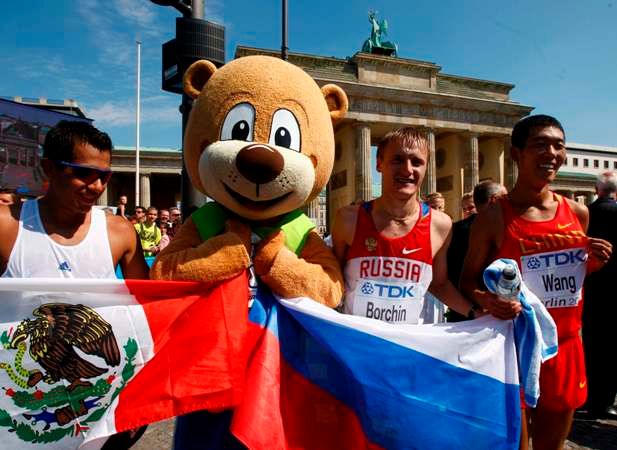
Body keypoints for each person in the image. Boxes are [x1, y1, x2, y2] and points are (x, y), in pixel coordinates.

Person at [459, 115, 612, 450]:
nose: (552, 152)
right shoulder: (493, 216)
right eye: (540, 144)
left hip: (566, 346)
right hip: (515, 347)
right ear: (516, 154)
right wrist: (486, 300)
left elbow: (571, 277)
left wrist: (593, 266)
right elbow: (467, 278)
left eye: (558, 145)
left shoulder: (578, 212)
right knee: (515, 446)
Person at [0, 120, 149, 448]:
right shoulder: (7, 227)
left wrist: (141, 399)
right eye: (83, 173)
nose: (96, 186)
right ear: (49, 168)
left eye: (104, 176)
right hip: (18, 420)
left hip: (104, 416)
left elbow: (149, 312)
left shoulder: (119, 232)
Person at [332, 127, 478, 325]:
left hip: (406, 346)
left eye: (417, 162)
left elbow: (439, 284)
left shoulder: (440, 225)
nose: (407, 170)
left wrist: (476, 314)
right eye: (397, 160)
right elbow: (332, 280)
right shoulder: (349, 220)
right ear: (379, 164)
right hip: (356, 345)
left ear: (426, 168)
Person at [582, 171, 617, 419]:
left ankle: (593, 398)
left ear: (596, 190)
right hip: (616, 291)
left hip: (591, 288)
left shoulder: (585, 214)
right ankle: (608, 399)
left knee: (592, 345)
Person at [446, 180, 506, 322]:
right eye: (506, 198)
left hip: (459, 311)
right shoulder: (500, 230)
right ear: (495, 200)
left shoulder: (452, 230)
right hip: (494, 314)